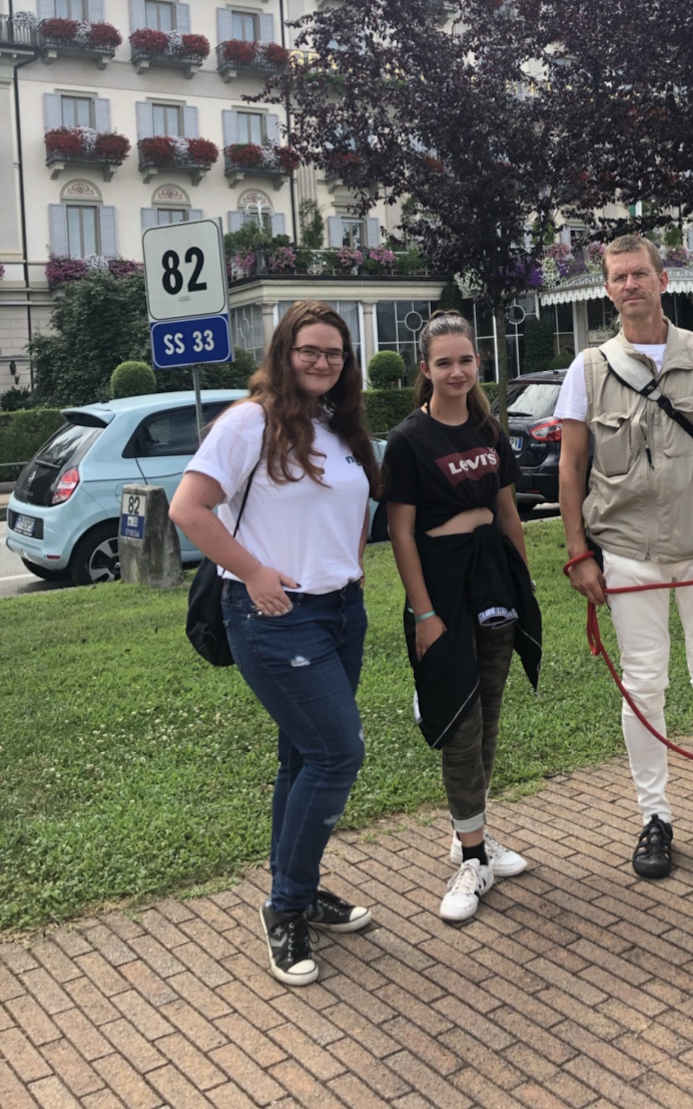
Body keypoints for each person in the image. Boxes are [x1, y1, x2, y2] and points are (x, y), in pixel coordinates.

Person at [170, 300, 380, 986]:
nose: (323, 362)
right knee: (337, 750)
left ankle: (300, 886)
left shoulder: (338, 427)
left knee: (302, 758)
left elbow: (351, 512)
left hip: (340, 613)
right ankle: (285, 906)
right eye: (309, 350)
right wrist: (254, 570)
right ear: (284, 352)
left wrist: (348, 572)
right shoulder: (248, 423)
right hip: (274, 616)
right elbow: (188, 507)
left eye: (334, 353)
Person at [557, 234, 693, 879]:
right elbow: (570, 468)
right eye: (618, 277)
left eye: (640, 273)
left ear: (662, 279)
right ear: (607, 287)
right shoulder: (587, 369)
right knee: (644, 684)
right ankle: (656, 817)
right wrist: (577, 554)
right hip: (626, 555)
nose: (630, 285)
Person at [384, 311, 541, 924]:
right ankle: (471, 857)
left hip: (492, 578)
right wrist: (423, 613)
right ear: (425, 370)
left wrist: (522, 580)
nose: (456, 371)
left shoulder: (487, 427)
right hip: (441, 585)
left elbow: (507, 512)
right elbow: (399, 533)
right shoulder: (408, 440)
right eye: (443, 362)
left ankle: (468, 835)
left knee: (491, 713)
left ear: (479, 364)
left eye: (466, 361)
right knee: (460, 720)